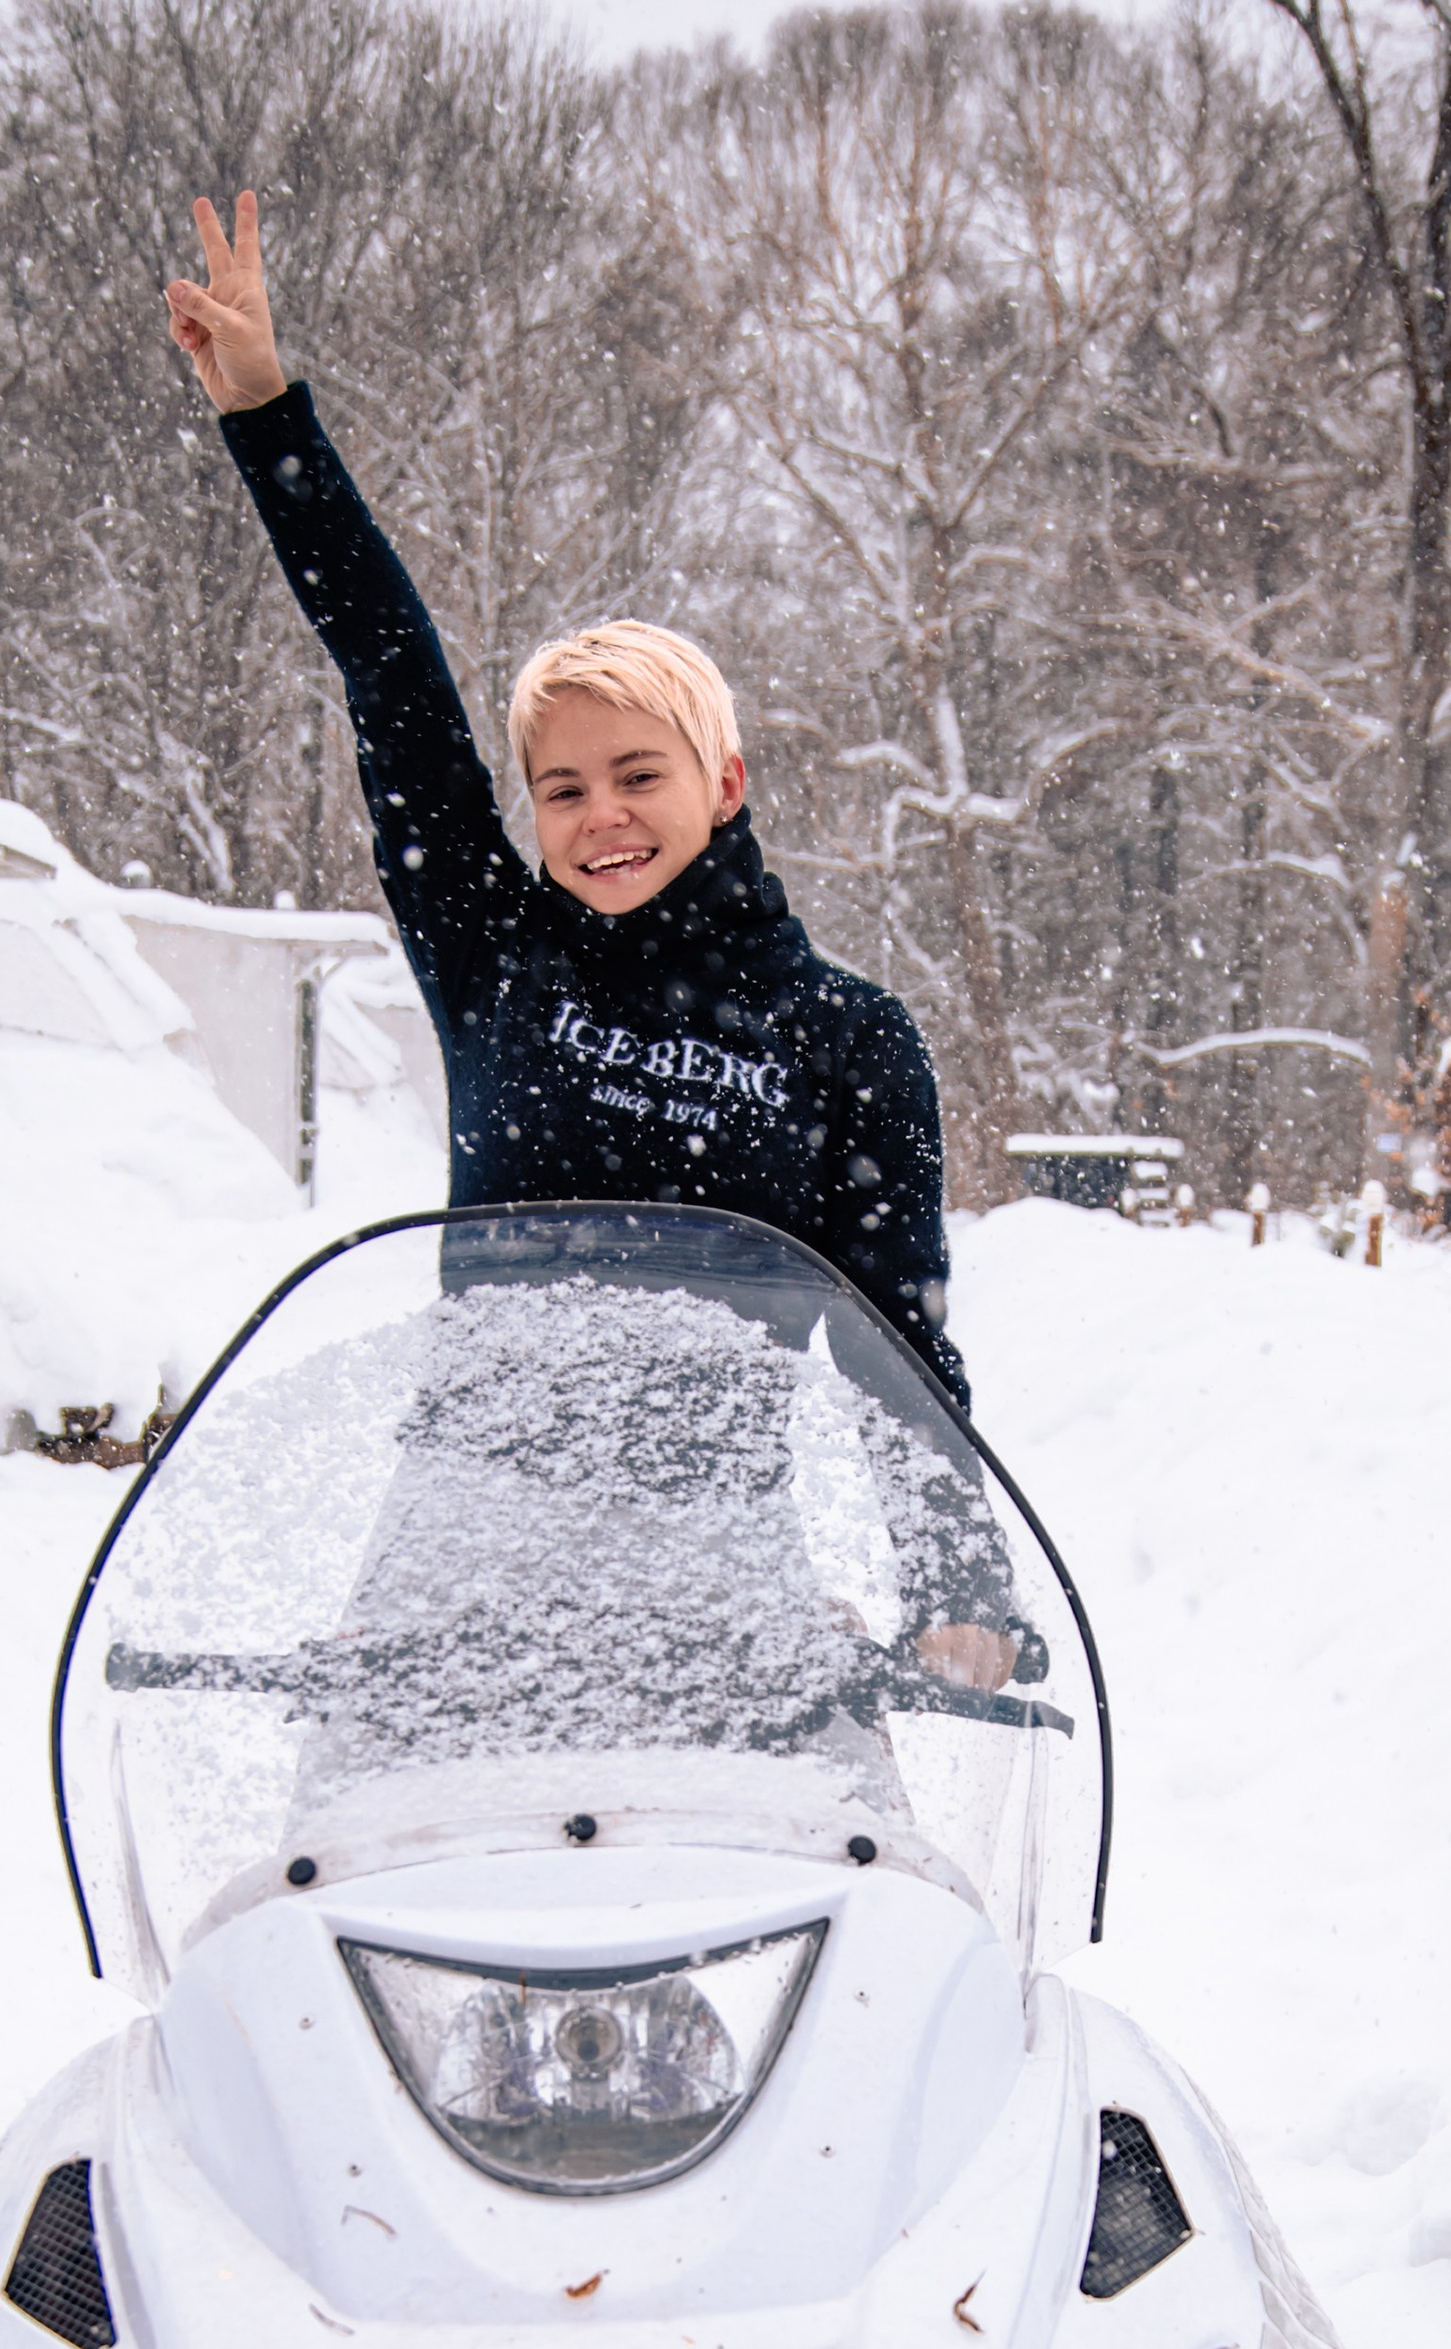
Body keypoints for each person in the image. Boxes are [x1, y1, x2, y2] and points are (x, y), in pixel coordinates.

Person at [163, 193, 979, 1443]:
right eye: (563, 788)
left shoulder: (846, 1040)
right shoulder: (495, 955)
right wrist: (268, 416)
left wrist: (957, 1600)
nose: (601, 816)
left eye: (639, 775)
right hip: (456, 1563)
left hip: (724, 1589)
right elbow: (393, 678)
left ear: (724, 783)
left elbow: (900, 1350)